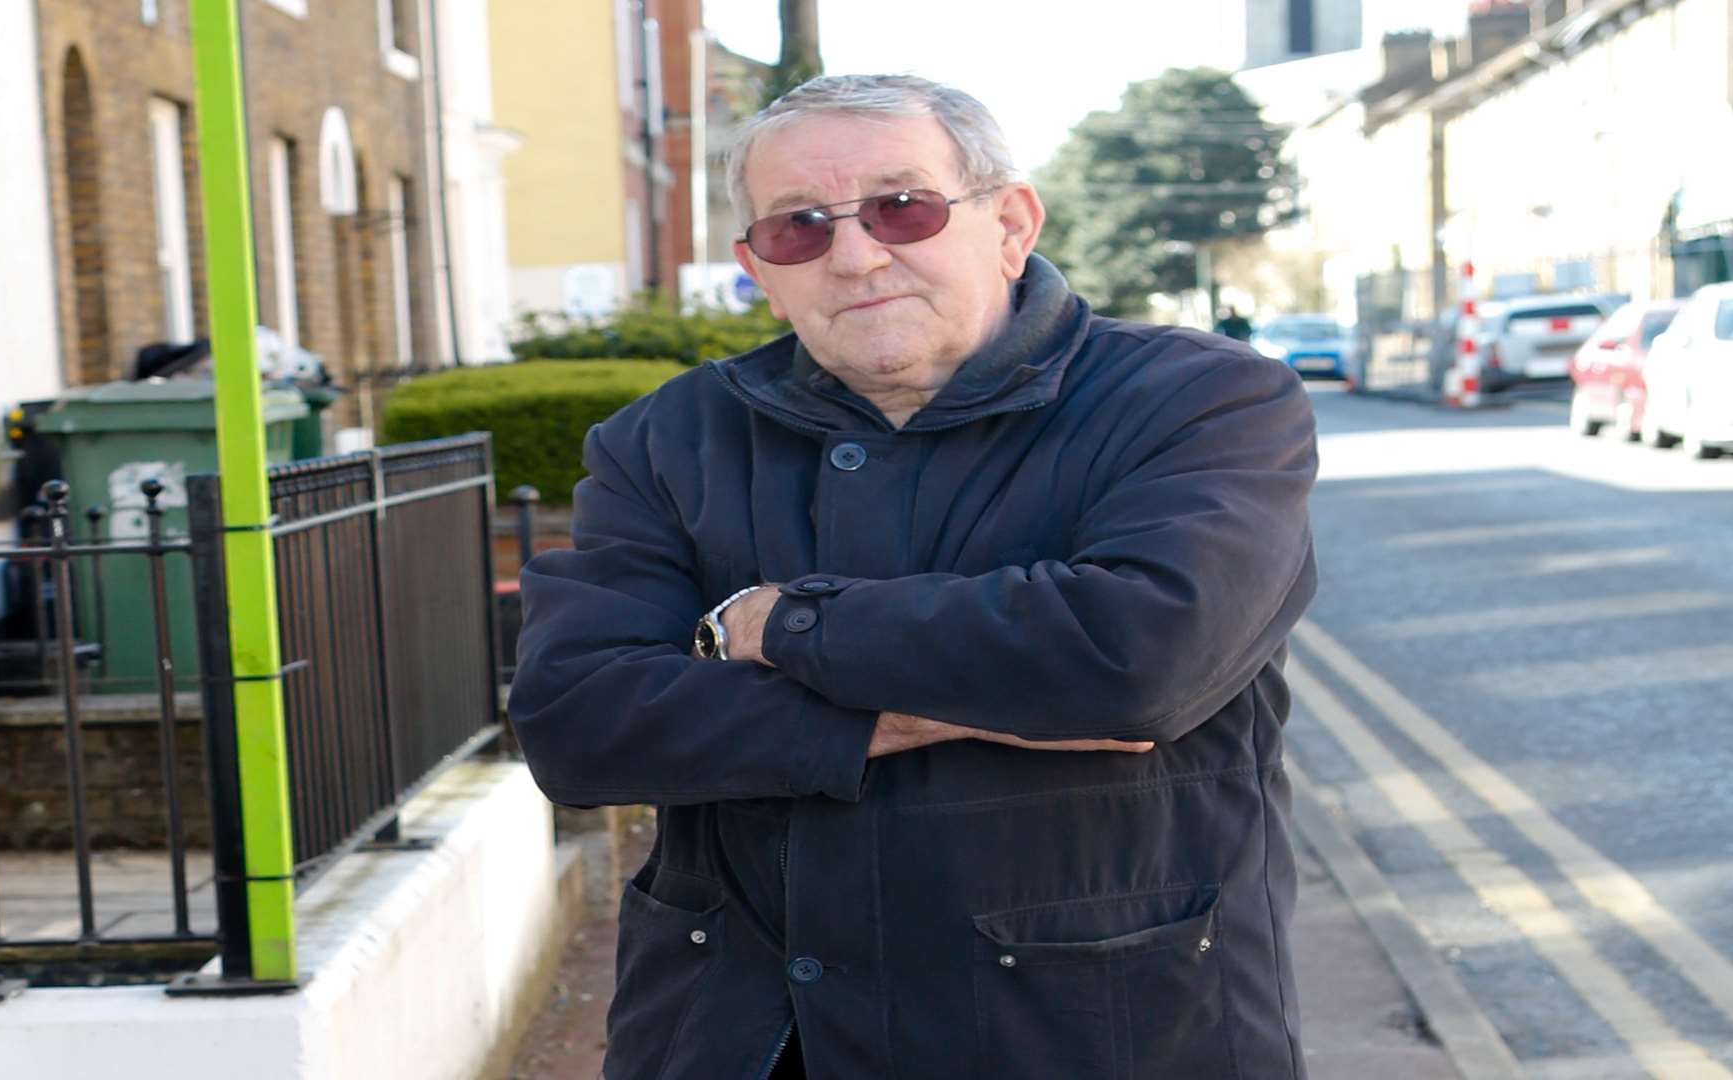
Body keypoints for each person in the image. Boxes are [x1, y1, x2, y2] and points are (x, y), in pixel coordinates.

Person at [509, 74, 1318, 1079]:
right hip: (749, 1043)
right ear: (760, 266)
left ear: (1011, 221)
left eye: (903, 207)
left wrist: (781, 628)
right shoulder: (666, 440)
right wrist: (950, 704)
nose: (855, 255)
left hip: (1100, 1033)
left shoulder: (1200, 400)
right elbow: (578, 722)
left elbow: (1139, 658)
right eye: (800, 227)